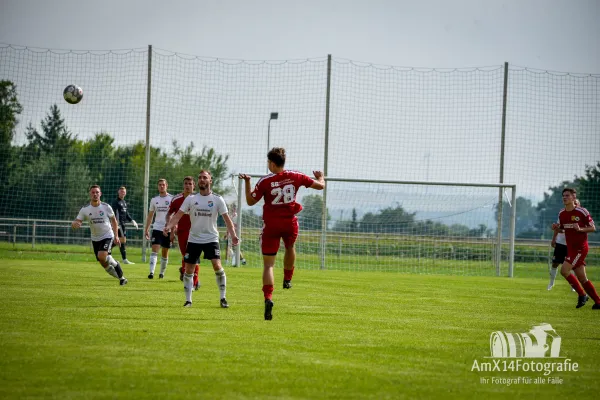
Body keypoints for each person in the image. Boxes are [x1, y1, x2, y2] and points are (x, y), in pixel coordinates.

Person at [239, 147, 325, 320]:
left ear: (271, 163)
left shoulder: (265, 181)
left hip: (271, 225)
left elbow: (249, 201)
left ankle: (268, 297)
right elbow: (320, 186)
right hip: (289, 222)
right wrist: (320, 176)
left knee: (268, 265)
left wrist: (248, 182)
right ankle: (287, 279)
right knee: (290, 246)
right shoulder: (296, 176)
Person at [164, 170, 239, 308]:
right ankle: (188, 300)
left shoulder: (217, 199)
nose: (202, 180)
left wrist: (233, 235)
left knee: (217, 266)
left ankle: (223, 298)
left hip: (211, 239)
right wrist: (169, 226)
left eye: (205, 177)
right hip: (194, 240)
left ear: (210, 180)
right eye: (200, 178)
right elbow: (178, 215)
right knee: (188, 269)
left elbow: (227, 219)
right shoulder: (191, 199)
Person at [71, 185, 128, 285]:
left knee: (102, 256)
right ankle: (121, 278)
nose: (95, 194)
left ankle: (116, 264)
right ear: (90, 194)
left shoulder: (106, 207)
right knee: (103, 263)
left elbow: (114, 221)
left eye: (97, 192)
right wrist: (74, 224)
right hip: (95, 238)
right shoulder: (85, 209)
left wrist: (116, 236)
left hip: (107, 235)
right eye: (93, 192)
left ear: (100, 194)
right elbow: (77, 222)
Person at [553, 188, 599, 309]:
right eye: (563, 195)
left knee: (564, 270)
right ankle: (598, 302)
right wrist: (557, 228)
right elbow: (563, 229)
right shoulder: (562, 214)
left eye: (567, 195)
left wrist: (580, 229)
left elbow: (593, 227)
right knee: (583, 278)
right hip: (571, 249)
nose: (565, 197)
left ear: (574, 198)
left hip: (580, 248)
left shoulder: (582, 211)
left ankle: (582, 295)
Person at [166, 176, 200, 290]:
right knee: (186, 255)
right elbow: (169, 214)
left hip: (196, 232)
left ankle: (194, 282)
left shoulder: (199, 198)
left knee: (194, 257)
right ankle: (184, 271)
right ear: (183, 185)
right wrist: (171, 228)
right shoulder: (176, 199)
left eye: (190, 183)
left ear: (194, 185)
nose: (188, 185)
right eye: (186, 183)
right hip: (182, 232)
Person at [143, 179, 173, 279]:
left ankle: (161, 273)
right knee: (154, 249)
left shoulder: (172, 199)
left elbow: (175, 215)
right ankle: (151, 272)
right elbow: (150, 215)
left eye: (163, 185)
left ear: (167, 186)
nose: (161, 186)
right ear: (157, 186)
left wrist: (172, 228)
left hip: (167, 229)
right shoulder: (154, 199)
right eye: (159, 185)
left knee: (165, 252)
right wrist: (146, 229)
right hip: (157, 228)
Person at [547, 199, 579, 291]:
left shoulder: (580, 216)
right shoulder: (563, 214)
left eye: (576, 204)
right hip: (561, 243)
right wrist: (554, 239)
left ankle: (573, 286)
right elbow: (558, 228)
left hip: (572, 244)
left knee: (573, 265)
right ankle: (551, 283)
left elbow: (583, 230)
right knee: (555, 263)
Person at [111, 186, 138, 264]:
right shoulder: (116, 202)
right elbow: (113, 214)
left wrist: (132, 220)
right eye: (121, 191)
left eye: (124, 192)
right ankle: (124, 259)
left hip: (123, 224)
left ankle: (107, 252)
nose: (123, 193)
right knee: (122, 240)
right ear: (118, 192)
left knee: (119, 240)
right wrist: (116, 223)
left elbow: (126, 214)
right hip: (118, 224)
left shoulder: (124, 202)